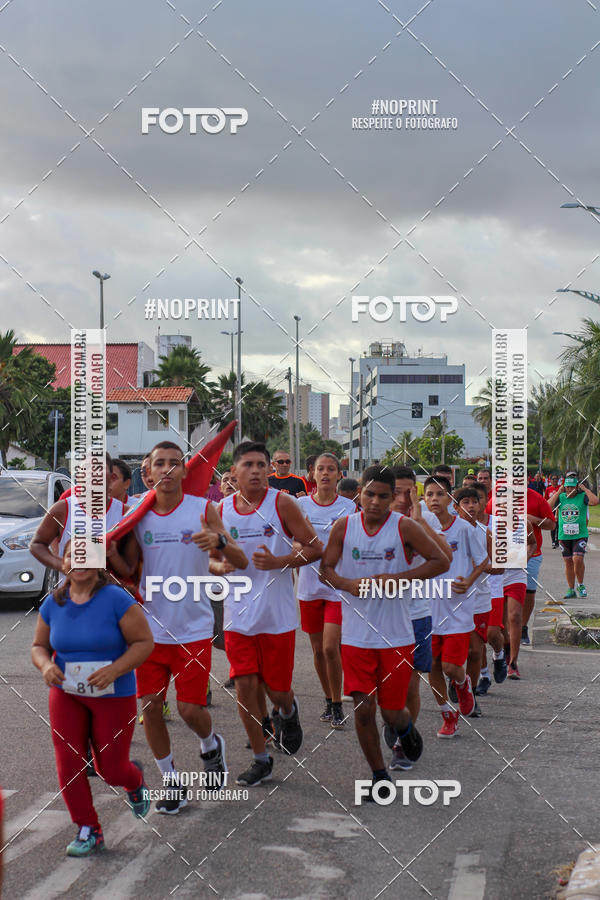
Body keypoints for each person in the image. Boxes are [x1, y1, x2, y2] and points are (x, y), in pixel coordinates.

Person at [118, 441, 248, 814]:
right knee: (151, 707)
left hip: (192, 628)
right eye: (160, 464)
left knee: (190, 709)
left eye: (176, 463)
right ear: (149, 473)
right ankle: (172, 781)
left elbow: (235, 559)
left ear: (185, 471)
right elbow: (125, 566)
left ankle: (210, 744)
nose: (169, 470)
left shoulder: (204, 509)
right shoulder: (136, 512)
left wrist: (220, 541)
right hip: (148, 630)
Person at [319, 466, 449, 798]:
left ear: (393, 498)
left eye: (383, 496)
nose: (375, 502)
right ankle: (379, 775)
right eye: (369, 494)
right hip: (356, 636)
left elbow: (440, 561)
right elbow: (326, 570)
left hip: (396, 636)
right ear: (360, 493)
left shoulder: (403, 527)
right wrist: (349, 585)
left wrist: (400, 579)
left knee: (392, 712)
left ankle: (405, 729)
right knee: (363, 709)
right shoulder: (343, 527)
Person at [31, 541, 154, 856]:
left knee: (109, 770)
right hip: (66, 692)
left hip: (113, 692)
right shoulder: (53, 603)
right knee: (68, 761)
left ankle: (134, 780)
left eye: (87, 556)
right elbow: (39, 646)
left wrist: (115, 670)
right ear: (64, 562)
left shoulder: (116, 599)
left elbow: (143, 643)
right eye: (74, 555)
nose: (79, 562)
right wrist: (45, 665)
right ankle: (88, 828)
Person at [218, 441, 321, 786]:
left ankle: (287, 712)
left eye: (262, 464)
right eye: (248, 465)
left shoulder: (283, 503)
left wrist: (280, 562)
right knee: (246, 685)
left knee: (277, 690)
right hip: (238, 616)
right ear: (233, 472)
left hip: (276, 617)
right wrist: (217, 566)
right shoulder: (221, 510)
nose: (257, 470)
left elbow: (314, 547)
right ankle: (260, 759)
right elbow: (207, 557)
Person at [385, 466, 452, 769]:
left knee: (410, 686)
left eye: (408, 491)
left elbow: (445, 558)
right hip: (380, 618)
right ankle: (396, 719)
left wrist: (420, 520)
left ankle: (402, 740)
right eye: (396, 491)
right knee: (382, 688)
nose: (402, 498)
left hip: (416, 616)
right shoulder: (368, 520)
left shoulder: (425, 521)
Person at [424, 477, 488, 737]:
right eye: (429, 494)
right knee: (433, 666)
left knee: (451, 667)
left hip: (458, 609)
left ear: (450, 499)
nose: (435, 499)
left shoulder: (463, 529)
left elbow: (483, 561)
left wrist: (469, 581)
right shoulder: (420, 528)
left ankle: (463, 683)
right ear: (424, 499)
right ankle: (448, 715)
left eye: (440, 494)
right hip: (428, 608)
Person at [295, 454, 355, 728]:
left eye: (331, 469)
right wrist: (300, 550)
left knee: (331, 647)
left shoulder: (349, 507)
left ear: (339, 474)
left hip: (336, 588)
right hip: (309, 587)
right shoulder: (300, 505)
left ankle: (339, 703)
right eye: (321, 469)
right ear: (312, 474)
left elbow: (355, 546)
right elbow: (292, 542)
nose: (326, 473)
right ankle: (329, 699)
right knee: (318, 651)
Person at [548, 472, 599, 599]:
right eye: (567, 487)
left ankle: (580, 584)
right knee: (568, 562)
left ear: (576, 487)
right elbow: (547, 506)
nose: (569, 490)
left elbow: (595, 501)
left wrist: (585, 489)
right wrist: (558, 492)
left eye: (572, 487)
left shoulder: (582, 497)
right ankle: (571, 589)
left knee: (578, 559)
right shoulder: (561, 497)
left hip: (580, 534)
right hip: (564, 536)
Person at [544, 475, 560, 548]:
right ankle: (553, 541)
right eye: (553, 479)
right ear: (550, 480)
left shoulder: (560, 488)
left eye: (556, 479)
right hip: (552, 510)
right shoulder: (548, 489)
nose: (555, 480)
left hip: (559, 509)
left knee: (559, 526)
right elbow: (546, 500)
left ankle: (558, 541)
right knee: (553, 526)